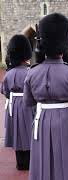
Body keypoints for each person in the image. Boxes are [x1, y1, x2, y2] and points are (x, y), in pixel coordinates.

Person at [24, 13, 68, 180]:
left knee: (43, 163)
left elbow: (28, 102)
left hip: (42, 120)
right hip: (67, 121)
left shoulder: (32, 72)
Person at [1, 35, 34, 170]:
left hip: (13, 105)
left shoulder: (9, 73)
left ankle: (20, 162)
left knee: (17, 132)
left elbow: (5, 91)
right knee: (30, 132)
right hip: (28, 103)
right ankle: (30, 162)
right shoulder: (30, 72)